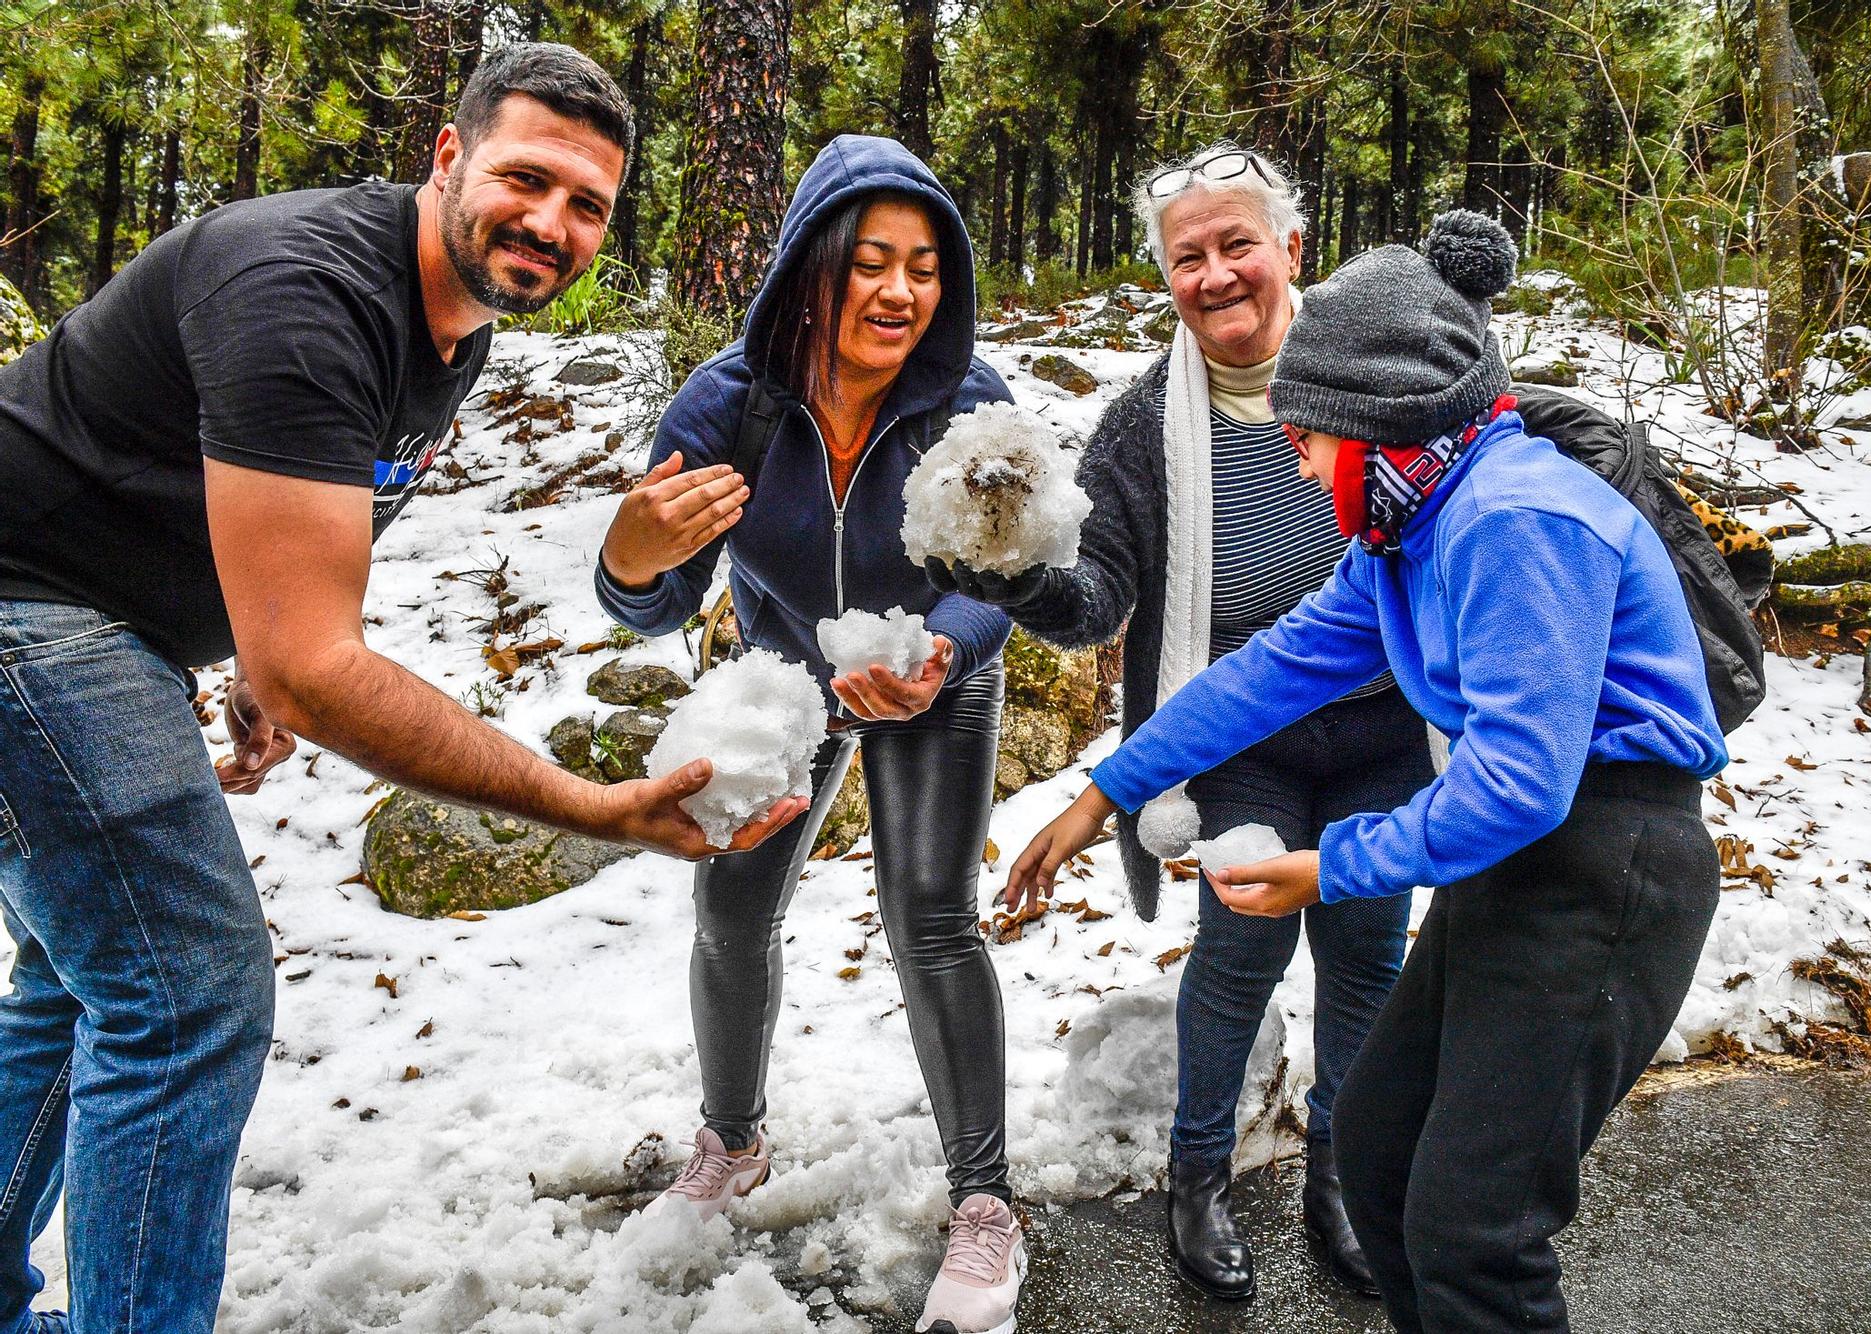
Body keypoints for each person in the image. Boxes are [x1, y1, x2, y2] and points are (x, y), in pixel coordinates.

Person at [0, 44, 804, 1334]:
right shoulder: (303, 289)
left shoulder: (456, 316)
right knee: (186, 989)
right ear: (446, 157)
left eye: (587, 203)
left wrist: (255, 644)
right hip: (23, 609)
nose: (551, 222)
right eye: (525, 179)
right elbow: (320, 662)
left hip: (111, 622)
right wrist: (577, 801)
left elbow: (302, 518)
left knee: (82, 976)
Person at [1010, 209, 1726, 1332]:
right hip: (1524, 862)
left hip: (1610, 865)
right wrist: (1104, 789)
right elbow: (1264, 673)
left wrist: (1324, 866)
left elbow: (1515, 785)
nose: (1292, 455)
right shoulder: (1407, 533)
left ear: (1377, 421)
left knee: (1472, 1228)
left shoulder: (1513, 516)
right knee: (1386, 1159)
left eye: (1307, 432)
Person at [931, 143, 1431, 1302]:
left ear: (1290, 250)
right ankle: (1195, 1173)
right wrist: (1011, 568)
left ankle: (1341, 1175)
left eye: (1234, 245)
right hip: (1234, 732)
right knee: (1240, 944)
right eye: (1186, 257)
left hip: (1381, 723)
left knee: (1364, 945)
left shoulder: (1364, 371)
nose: (1213, 275)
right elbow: (1095, 596)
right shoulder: (1146, 421)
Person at [596, 134, 1025, 1334]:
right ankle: (730, 1140)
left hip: (929, 665)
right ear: (808, 266)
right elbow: (652, 596)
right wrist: (629, 558)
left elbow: (1011, 566)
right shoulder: (727, 404)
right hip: (785, 660)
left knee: (929, 915)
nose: (899, 291)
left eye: (926, 267)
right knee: (731, 908)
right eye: (870, 262)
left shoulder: (967, 401)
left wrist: (941, 645)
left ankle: (984, 1203)